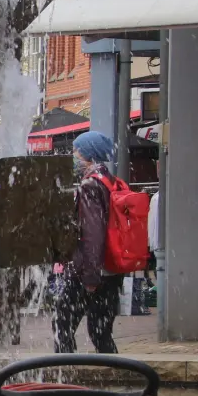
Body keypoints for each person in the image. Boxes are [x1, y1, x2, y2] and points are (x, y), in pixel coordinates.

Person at [55, 131, 124, 354]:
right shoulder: (112, 182)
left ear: (88, 154)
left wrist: (91, 277)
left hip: (89, 271)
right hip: (112, 269)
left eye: (76, 151)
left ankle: (64, 377)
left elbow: (93, 235)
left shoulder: (90, 187)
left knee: (62, 324)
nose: (73, 155)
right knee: (100, 331)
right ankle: (120, 377)